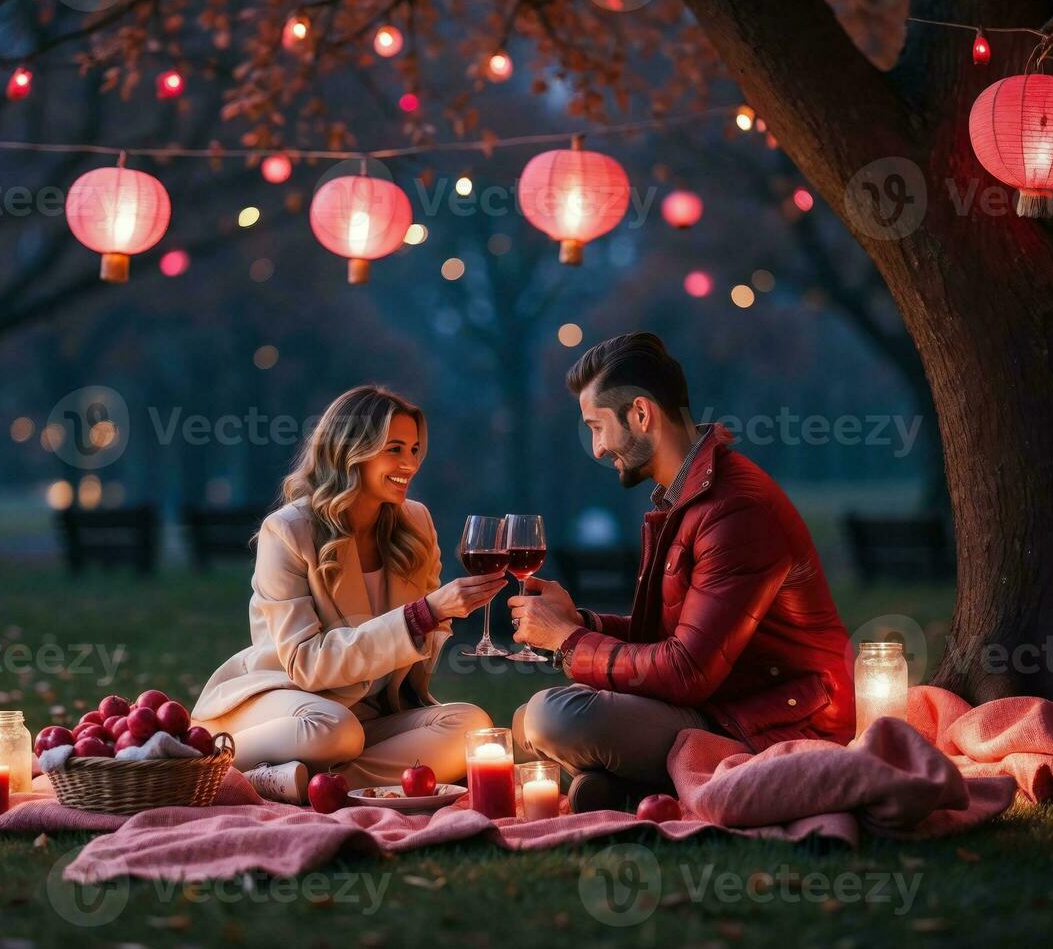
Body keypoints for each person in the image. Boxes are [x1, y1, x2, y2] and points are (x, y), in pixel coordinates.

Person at [507, 332, 856, 812]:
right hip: (718, 700)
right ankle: (624, 784)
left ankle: (629, 780)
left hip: (768, 720)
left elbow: (687, 670)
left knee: (552, 719)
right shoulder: (688, 497)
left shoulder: (734, 510)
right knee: (525, 721)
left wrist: (568, 641)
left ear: (642, 415)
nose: (597, 448)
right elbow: (669, 638)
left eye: (596, 426)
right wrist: (584, 623)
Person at [193, 385, 506, 804]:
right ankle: (216, 761)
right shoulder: (288, 531)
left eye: (414, 450)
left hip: (366, 717)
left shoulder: (415, 523)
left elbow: (415, 650)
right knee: (334, 730)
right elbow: (306, 664)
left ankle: (315, 784)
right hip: (290, 704)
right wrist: (422, 615)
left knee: (472, 725)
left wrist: (440, 618)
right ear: (351, 450)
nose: (409, 464)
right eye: (394, 449)